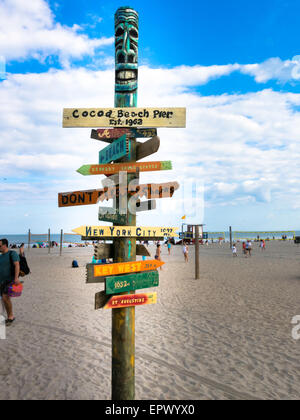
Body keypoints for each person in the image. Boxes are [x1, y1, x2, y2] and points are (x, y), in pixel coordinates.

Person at [0, 238, 20, 325]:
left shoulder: (12, 253)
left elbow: (17, 265)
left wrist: (16, 278)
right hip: (1, 281)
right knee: (4, 300)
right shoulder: (0, 256)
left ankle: (10, 317)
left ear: (5, 245)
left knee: (5, 297)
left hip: (10, 280)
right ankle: (9, 316)